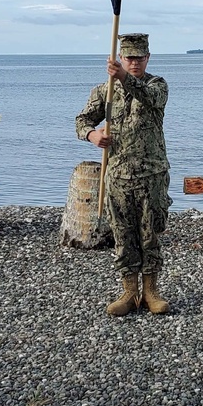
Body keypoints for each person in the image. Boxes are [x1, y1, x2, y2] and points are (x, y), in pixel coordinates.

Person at [76, 33, 171, 315]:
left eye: (139, 58)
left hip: (151, 174)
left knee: (150, 234)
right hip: (117, 175)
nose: (134, 63)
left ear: (148, 58)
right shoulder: (104, 91)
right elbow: (81, 120)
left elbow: (148, 96)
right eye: (129, 58)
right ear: (120, 58)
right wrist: (93, 134)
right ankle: (129, 292)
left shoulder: (157, 85)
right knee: (123, 235)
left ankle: (151, 292)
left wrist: (123, 78)